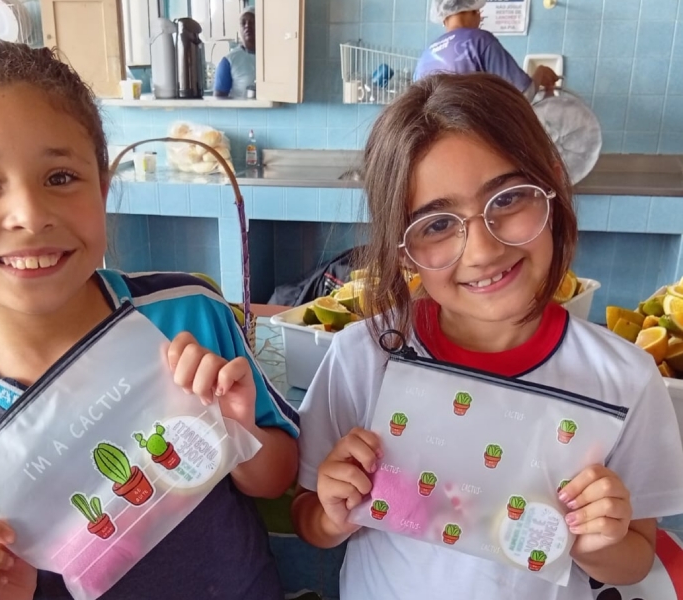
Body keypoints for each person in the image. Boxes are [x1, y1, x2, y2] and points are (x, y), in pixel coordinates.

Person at [0, 39, 299, 600]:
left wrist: (237, 428)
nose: (30, 215)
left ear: (102, 189)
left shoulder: (187, 314)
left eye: (60, 177)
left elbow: (276, 476)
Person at [290, 73, 683, 600]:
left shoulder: (624, 379)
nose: (482, 250)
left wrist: (597, 541)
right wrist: (332, 515)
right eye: (436, 225)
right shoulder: (363, 358)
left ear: (552, 186)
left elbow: (636, 557)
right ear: (403, 248)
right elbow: (308, 516)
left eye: (508, 198)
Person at [414, 0, 559, 100]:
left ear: (444, 18)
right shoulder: (480, 40)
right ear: (471, 10)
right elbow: (523, 95)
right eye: (478, 12)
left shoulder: (425, 57)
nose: (480, 18)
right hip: (475, 133)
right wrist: (540, 73)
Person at [214, 6, 256, 98]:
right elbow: (219, 99)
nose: (247, 26)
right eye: (243, 23)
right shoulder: (229, 61)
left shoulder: (272, 57)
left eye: (252, 22)